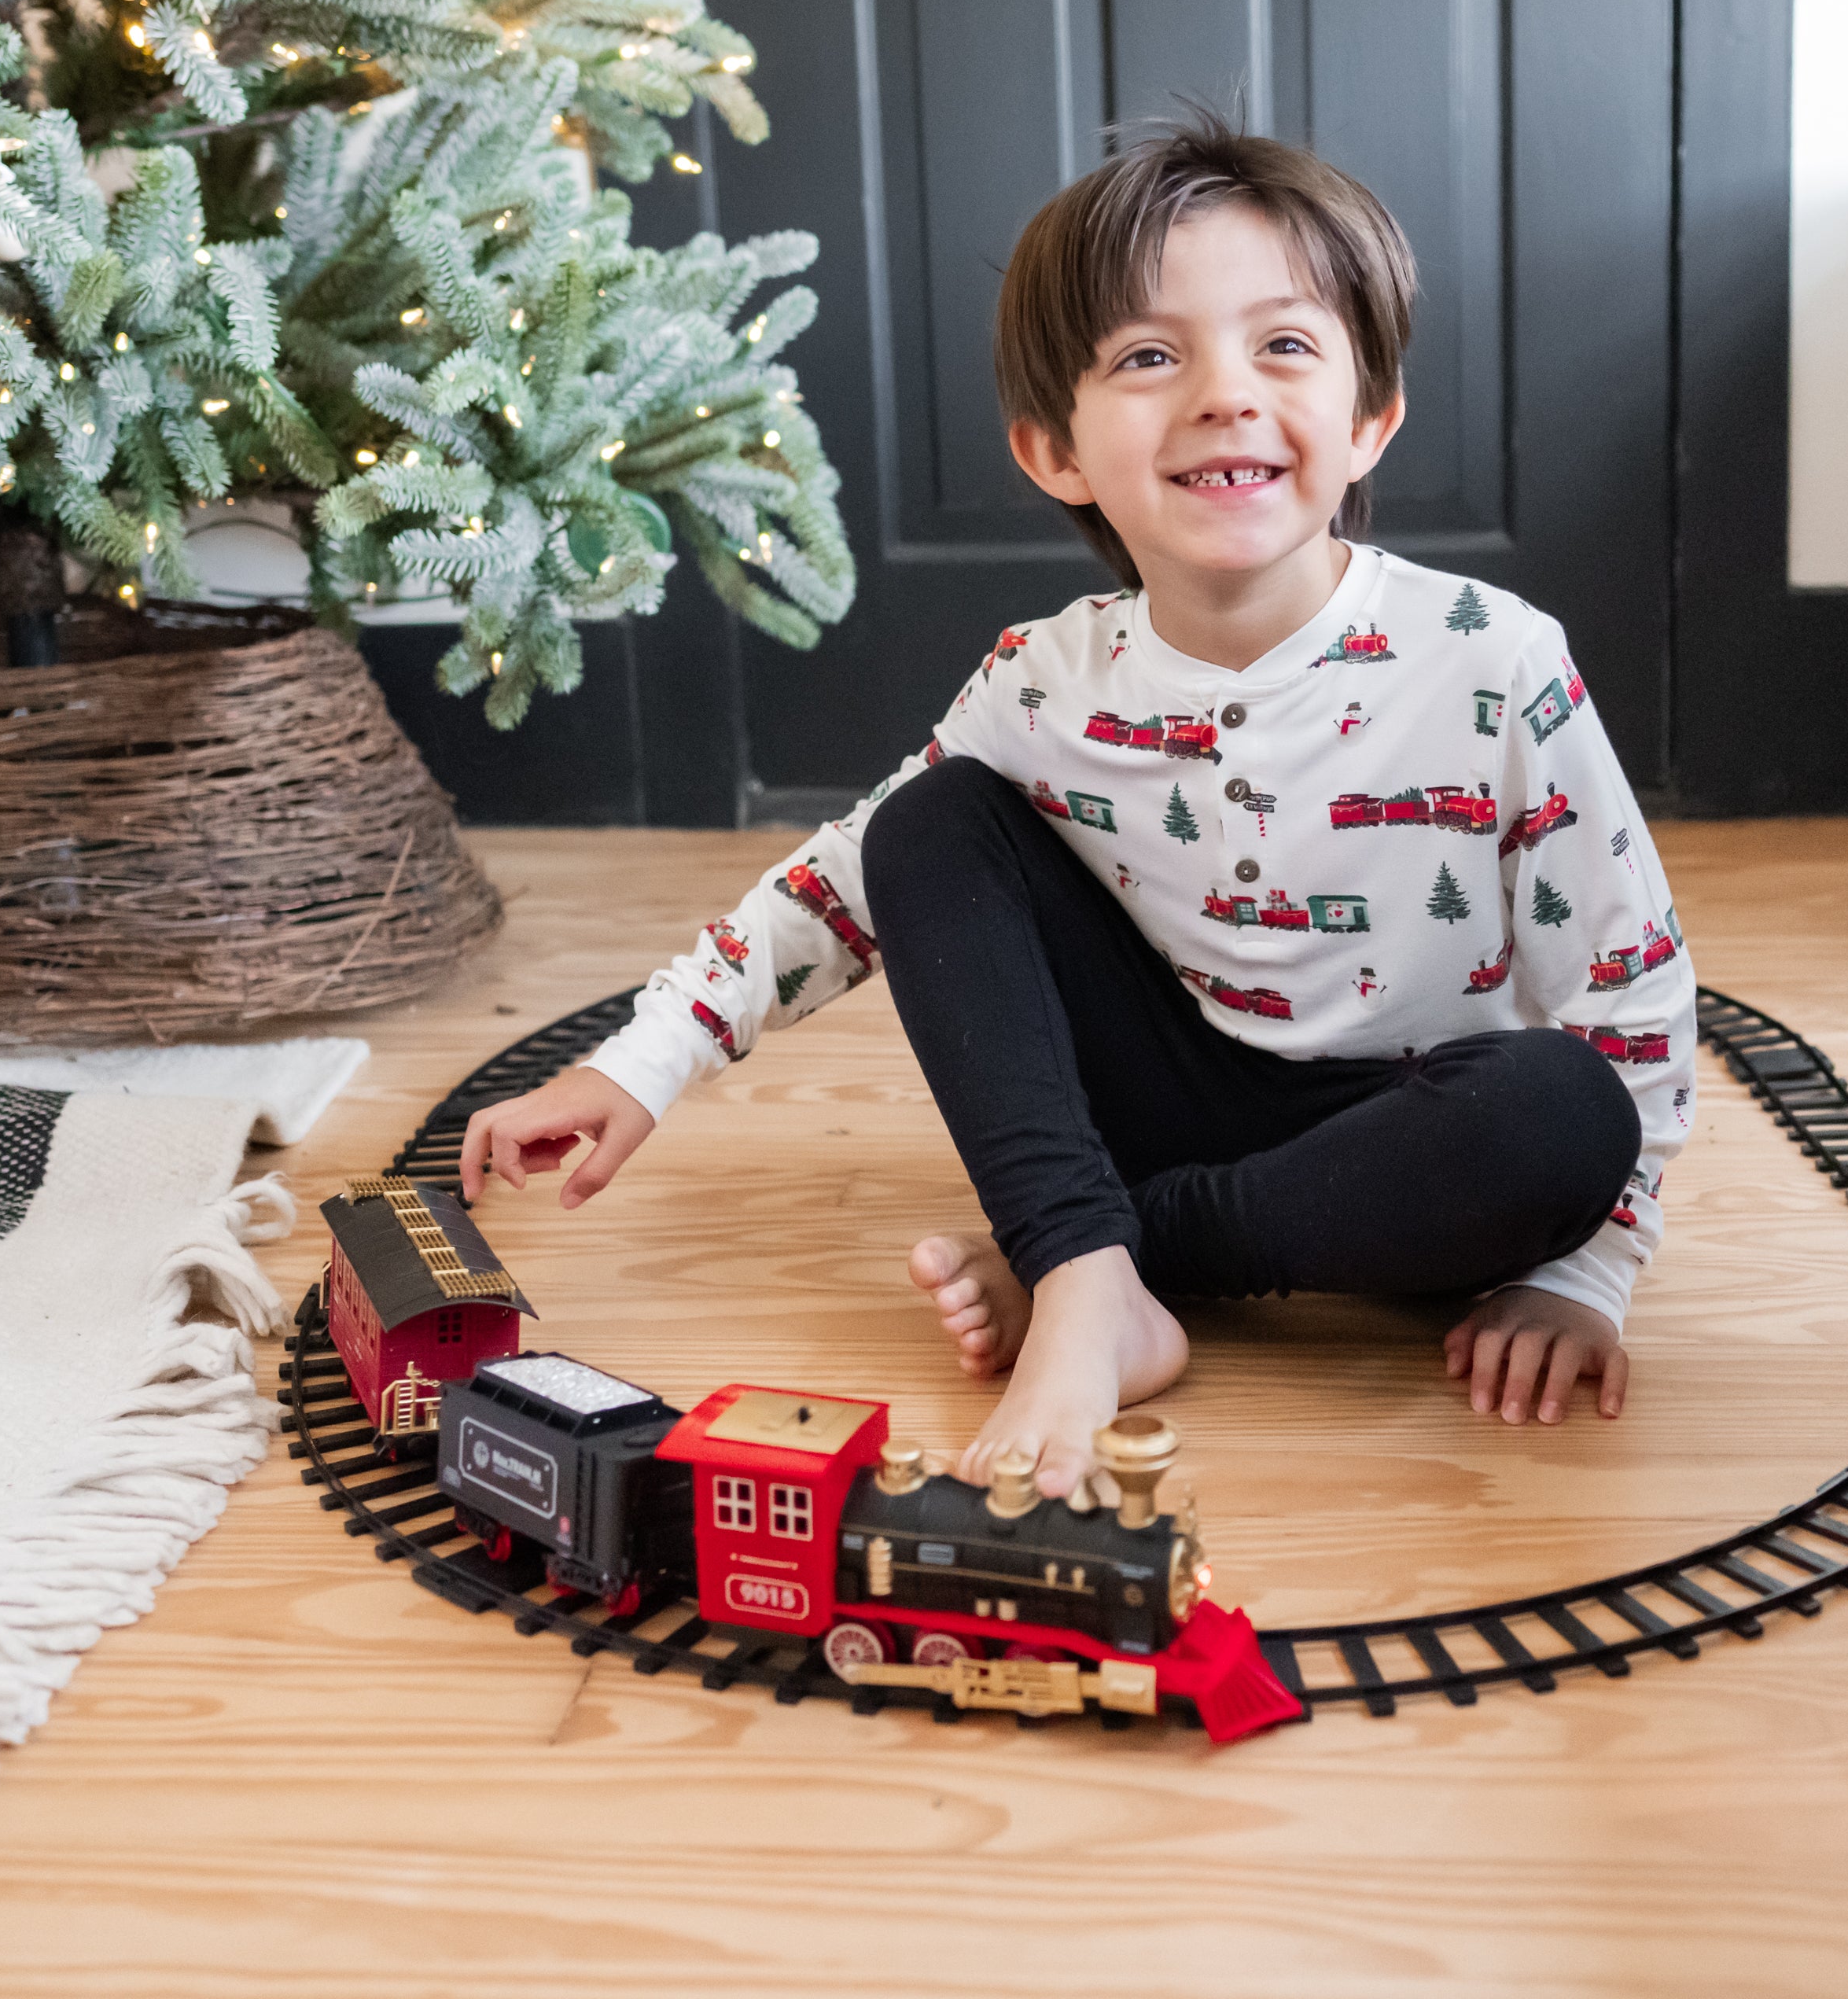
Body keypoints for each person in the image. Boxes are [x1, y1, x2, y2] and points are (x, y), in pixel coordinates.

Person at [458, 113, 1697, 1503]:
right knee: (924, 829)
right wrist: (642, 1065)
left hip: (1415, 1141)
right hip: (1164, 1096)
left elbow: (1626, 982)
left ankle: (1104, 1263)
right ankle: (1093, 1265)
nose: (1225, 394)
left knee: (1562, 1113)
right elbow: (842, 886)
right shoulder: (1043, 679)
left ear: (1368, 421)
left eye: (1282, 345)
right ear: (1054, 450)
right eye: (1151, 357)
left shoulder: (1493, 654)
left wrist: (1590, 1274)